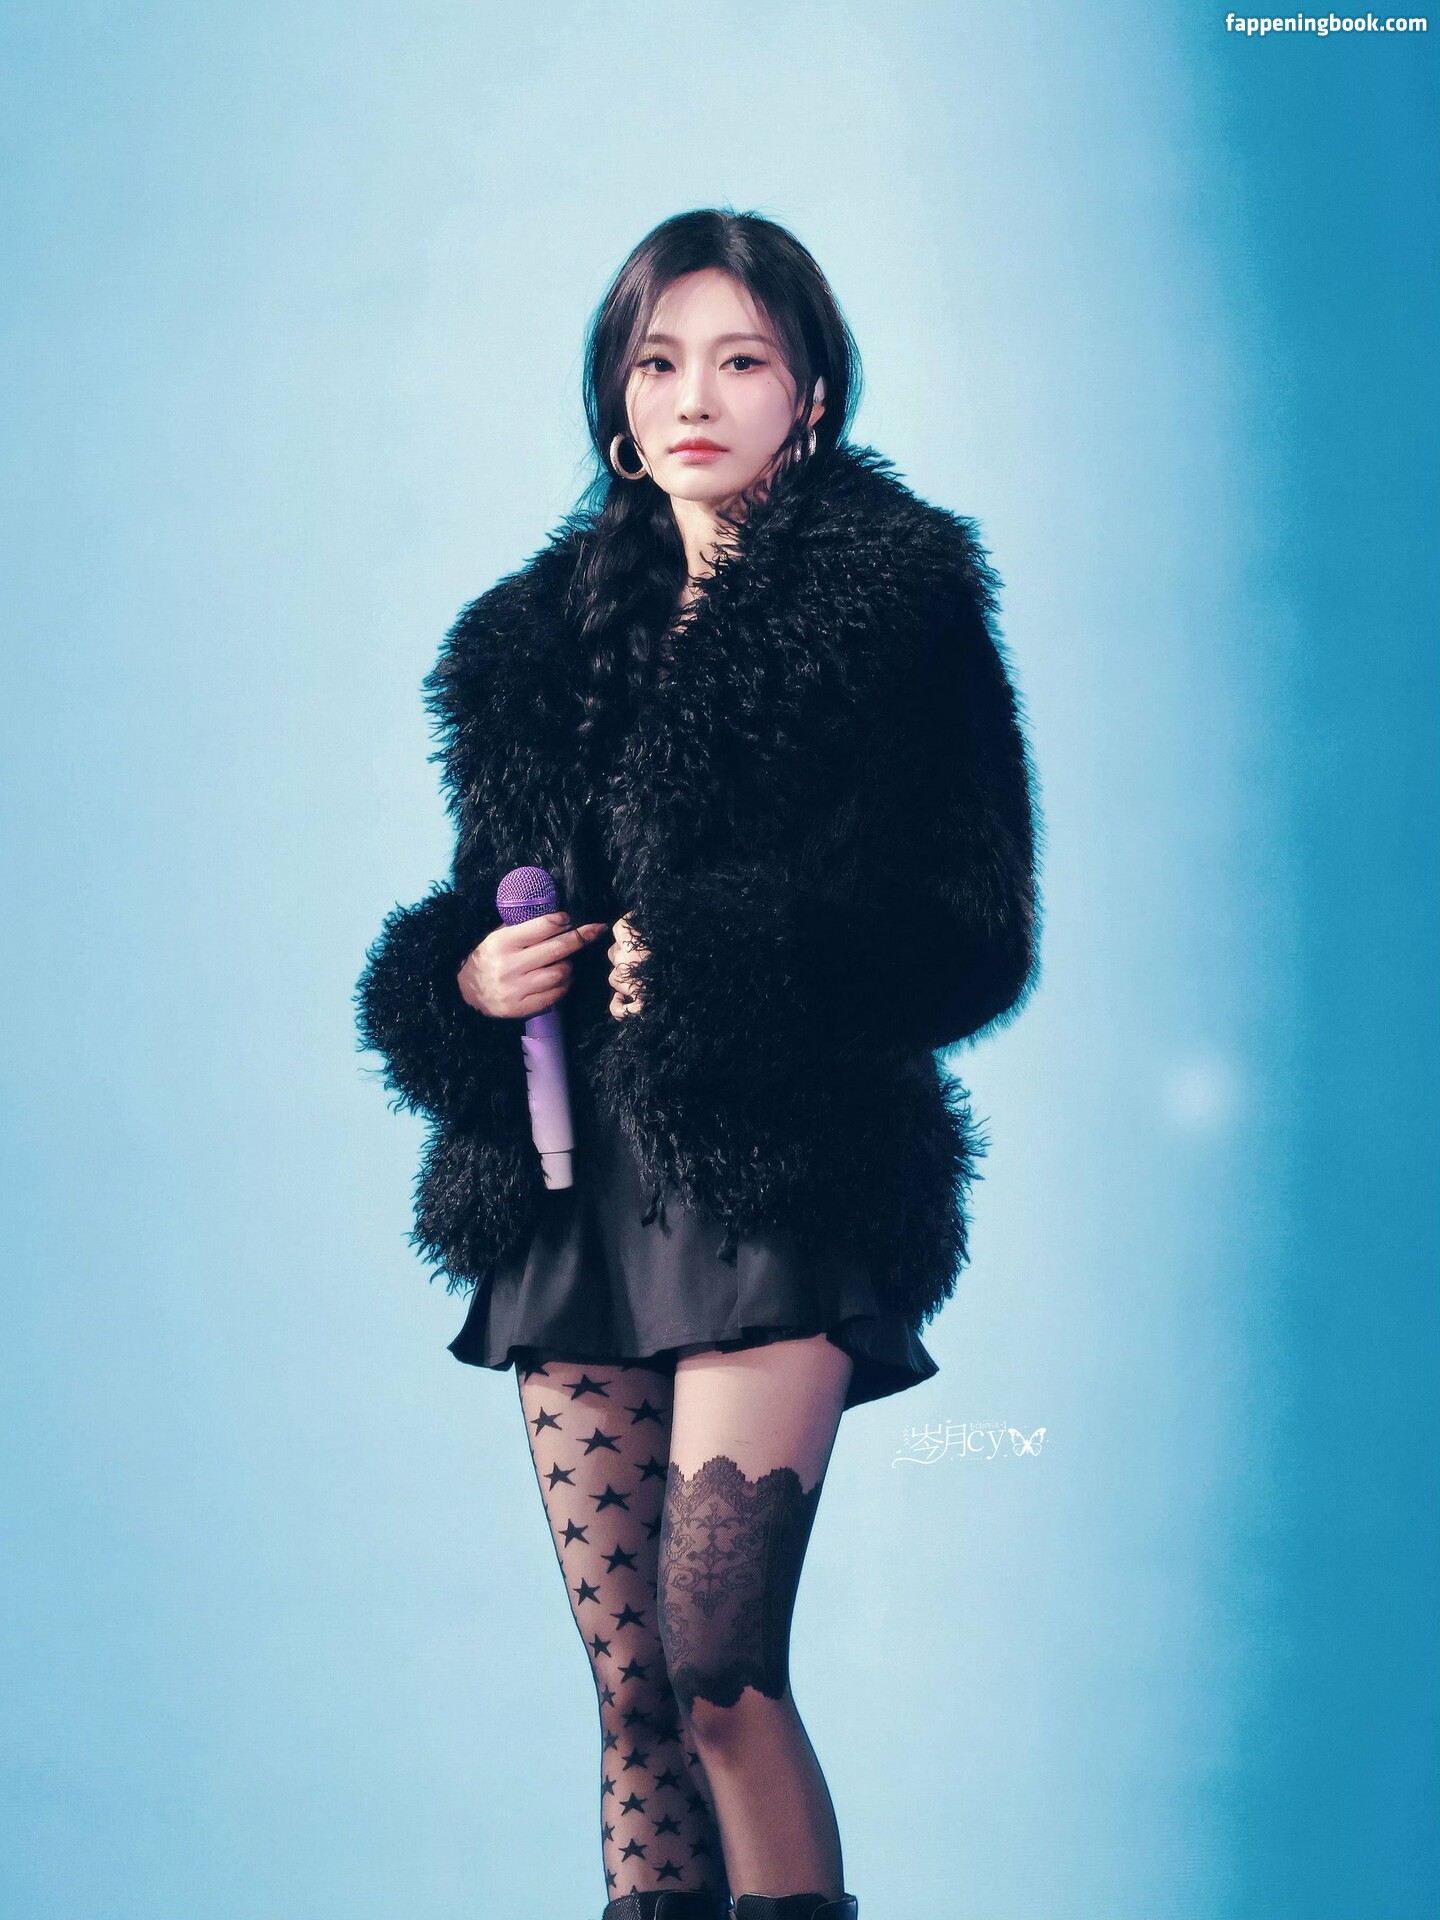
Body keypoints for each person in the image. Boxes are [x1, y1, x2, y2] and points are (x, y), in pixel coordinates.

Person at [355, 208, 1042, 1920]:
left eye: (741, 360)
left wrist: (743, 962)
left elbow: (974, 936)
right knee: (634, 1698)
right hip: (572, 1190)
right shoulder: (531, 646)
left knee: (722, 1671)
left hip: (775, 1181)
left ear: (812, 394)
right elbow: (487, 900)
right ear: (615, 396)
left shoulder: (896, 609)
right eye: (660, 361)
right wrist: (466, 978)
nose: (695, 398)